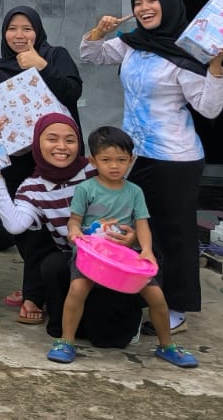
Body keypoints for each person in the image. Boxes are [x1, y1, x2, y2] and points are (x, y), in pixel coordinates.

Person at [80, 0, 223, 334]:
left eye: (152, 1)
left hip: (176, 158)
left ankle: (176, 306)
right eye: (138, 2)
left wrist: (218, 65)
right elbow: (91, 55)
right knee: (141, 230)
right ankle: (142, 293)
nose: (145, 7)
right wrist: (98, 31)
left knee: (173, 233)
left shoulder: (186, 53)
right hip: (136, 156)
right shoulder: (132, 45)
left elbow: (209, 108)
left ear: (168, 6)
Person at [47, 126, 199, 369]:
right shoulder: (86, 189)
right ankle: (65, 341)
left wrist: (146, 250)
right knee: (77, 288)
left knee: (157, 295)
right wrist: (74, 232)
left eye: (121, 160)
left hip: (125, 257)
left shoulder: (135, 192)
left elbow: (142, 225)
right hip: (91, 255)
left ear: (132, 160)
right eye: (106, 160)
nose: (114, 166)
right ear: (93, 160)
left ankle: (167, 345)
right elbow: (74, 220)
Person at [0, 4, 84, 310]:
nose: (19, 35)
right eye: (12, 29)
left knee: (60, 221)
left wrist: (41, 66)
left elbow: (72, 92)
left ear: (38, 32)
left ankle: (46, 291)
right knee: (25, 227)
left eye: (27, 28)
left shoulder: (55, 56)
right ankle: (35, 287)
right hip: (18, 159)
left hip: (57, 157)